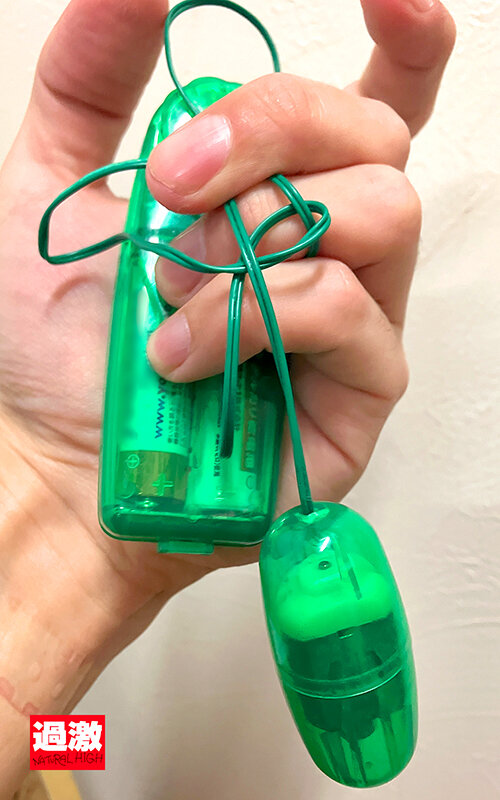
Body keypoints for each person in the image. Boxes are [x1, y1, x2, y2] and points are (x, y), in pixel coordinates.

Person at [0, 0, 455, 796]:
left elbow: (46, 750)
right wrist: (30, 467)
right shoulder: (50, 761)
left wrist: (62, 574)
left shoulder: (48, 764)